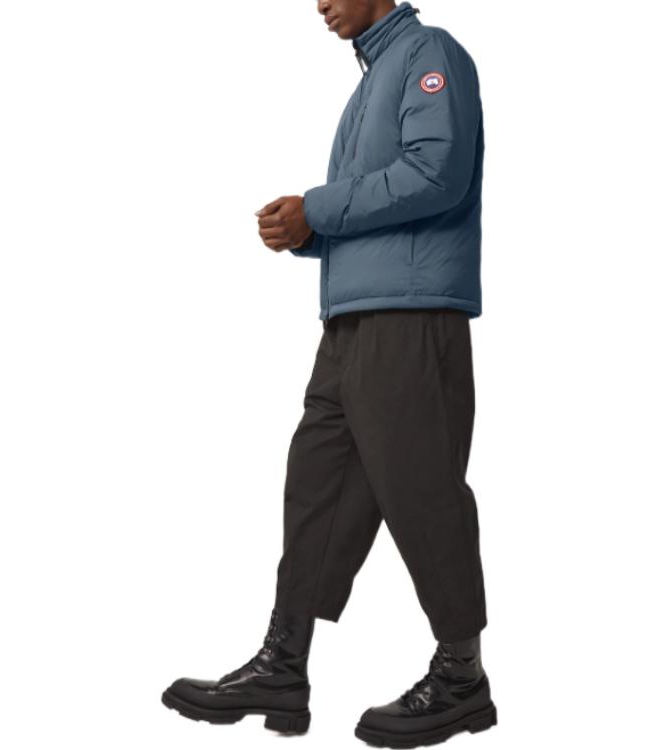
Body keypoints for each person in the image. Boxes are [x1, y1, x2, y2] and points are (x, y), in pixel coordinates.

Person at [161, 2, 496, 746]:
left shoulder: (430, 53)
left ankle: (462, 676)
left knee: (420, 491)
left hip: (411, 318)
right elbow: (377, 205)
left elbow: (436, 174)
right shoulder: (373, 78)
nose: (317, 3)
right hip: (351, 320)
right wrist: (305, 235)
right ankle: (283, 665)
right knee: (315, 484)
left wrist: (316, 209)